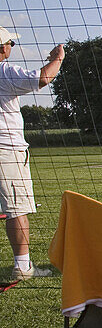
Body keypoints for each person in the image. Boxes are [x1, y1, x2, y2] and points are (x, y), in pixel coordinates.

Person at [1, 27, 64, 281]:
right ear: (3, 47)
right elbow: (43, 78)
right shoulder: (5, 71)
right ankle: (23, 266)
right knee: (17, 209)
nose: (12, 47)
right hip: (7, 151)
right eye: (11, 43)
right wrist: (58, 58)